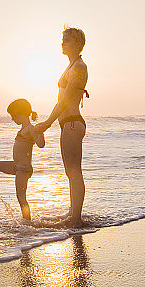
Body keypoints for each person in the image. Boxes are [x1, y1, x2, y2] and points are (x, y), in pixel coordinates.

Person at [36, 27, 88, 228]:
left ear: (77, 43)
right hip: (68, 124)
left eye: (66, 40)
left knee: (74, 171)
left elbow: (65, 102)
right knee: (71, 171)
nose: (62, 43)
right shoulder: (71, 66)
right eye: (62, 40)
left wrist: (47, 124)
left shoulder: (79, 67)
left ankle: (76, 218)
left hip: (73, 123)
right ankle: (72, 213)